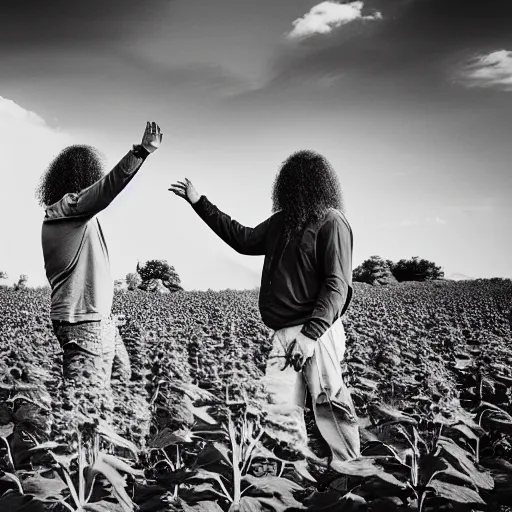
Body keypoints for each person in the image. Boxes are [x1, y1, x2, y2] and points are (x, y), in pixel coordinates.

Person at [170, 150, 360, 467]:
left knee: (328, 400)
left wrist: (311, 335)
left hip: (317, 330)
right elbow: (242, 239)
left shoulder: (331, 221)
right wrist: (199, 202)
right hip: (284, 332)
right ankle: (295, 473)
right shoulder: (282, 223)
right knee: (280, 405)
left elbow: (337, 285)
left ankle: (351, 470)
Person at [36, 122, 163, 429]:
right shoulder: (67, 209)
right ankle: (85, 464)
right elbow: (106, 190)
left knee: (121, 376)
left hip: (98, 320)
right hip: (82, 324)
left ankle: (110, 455)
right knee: (85, 410)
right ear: (85, 178)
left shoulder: (77, 218)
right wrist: (142, 151)